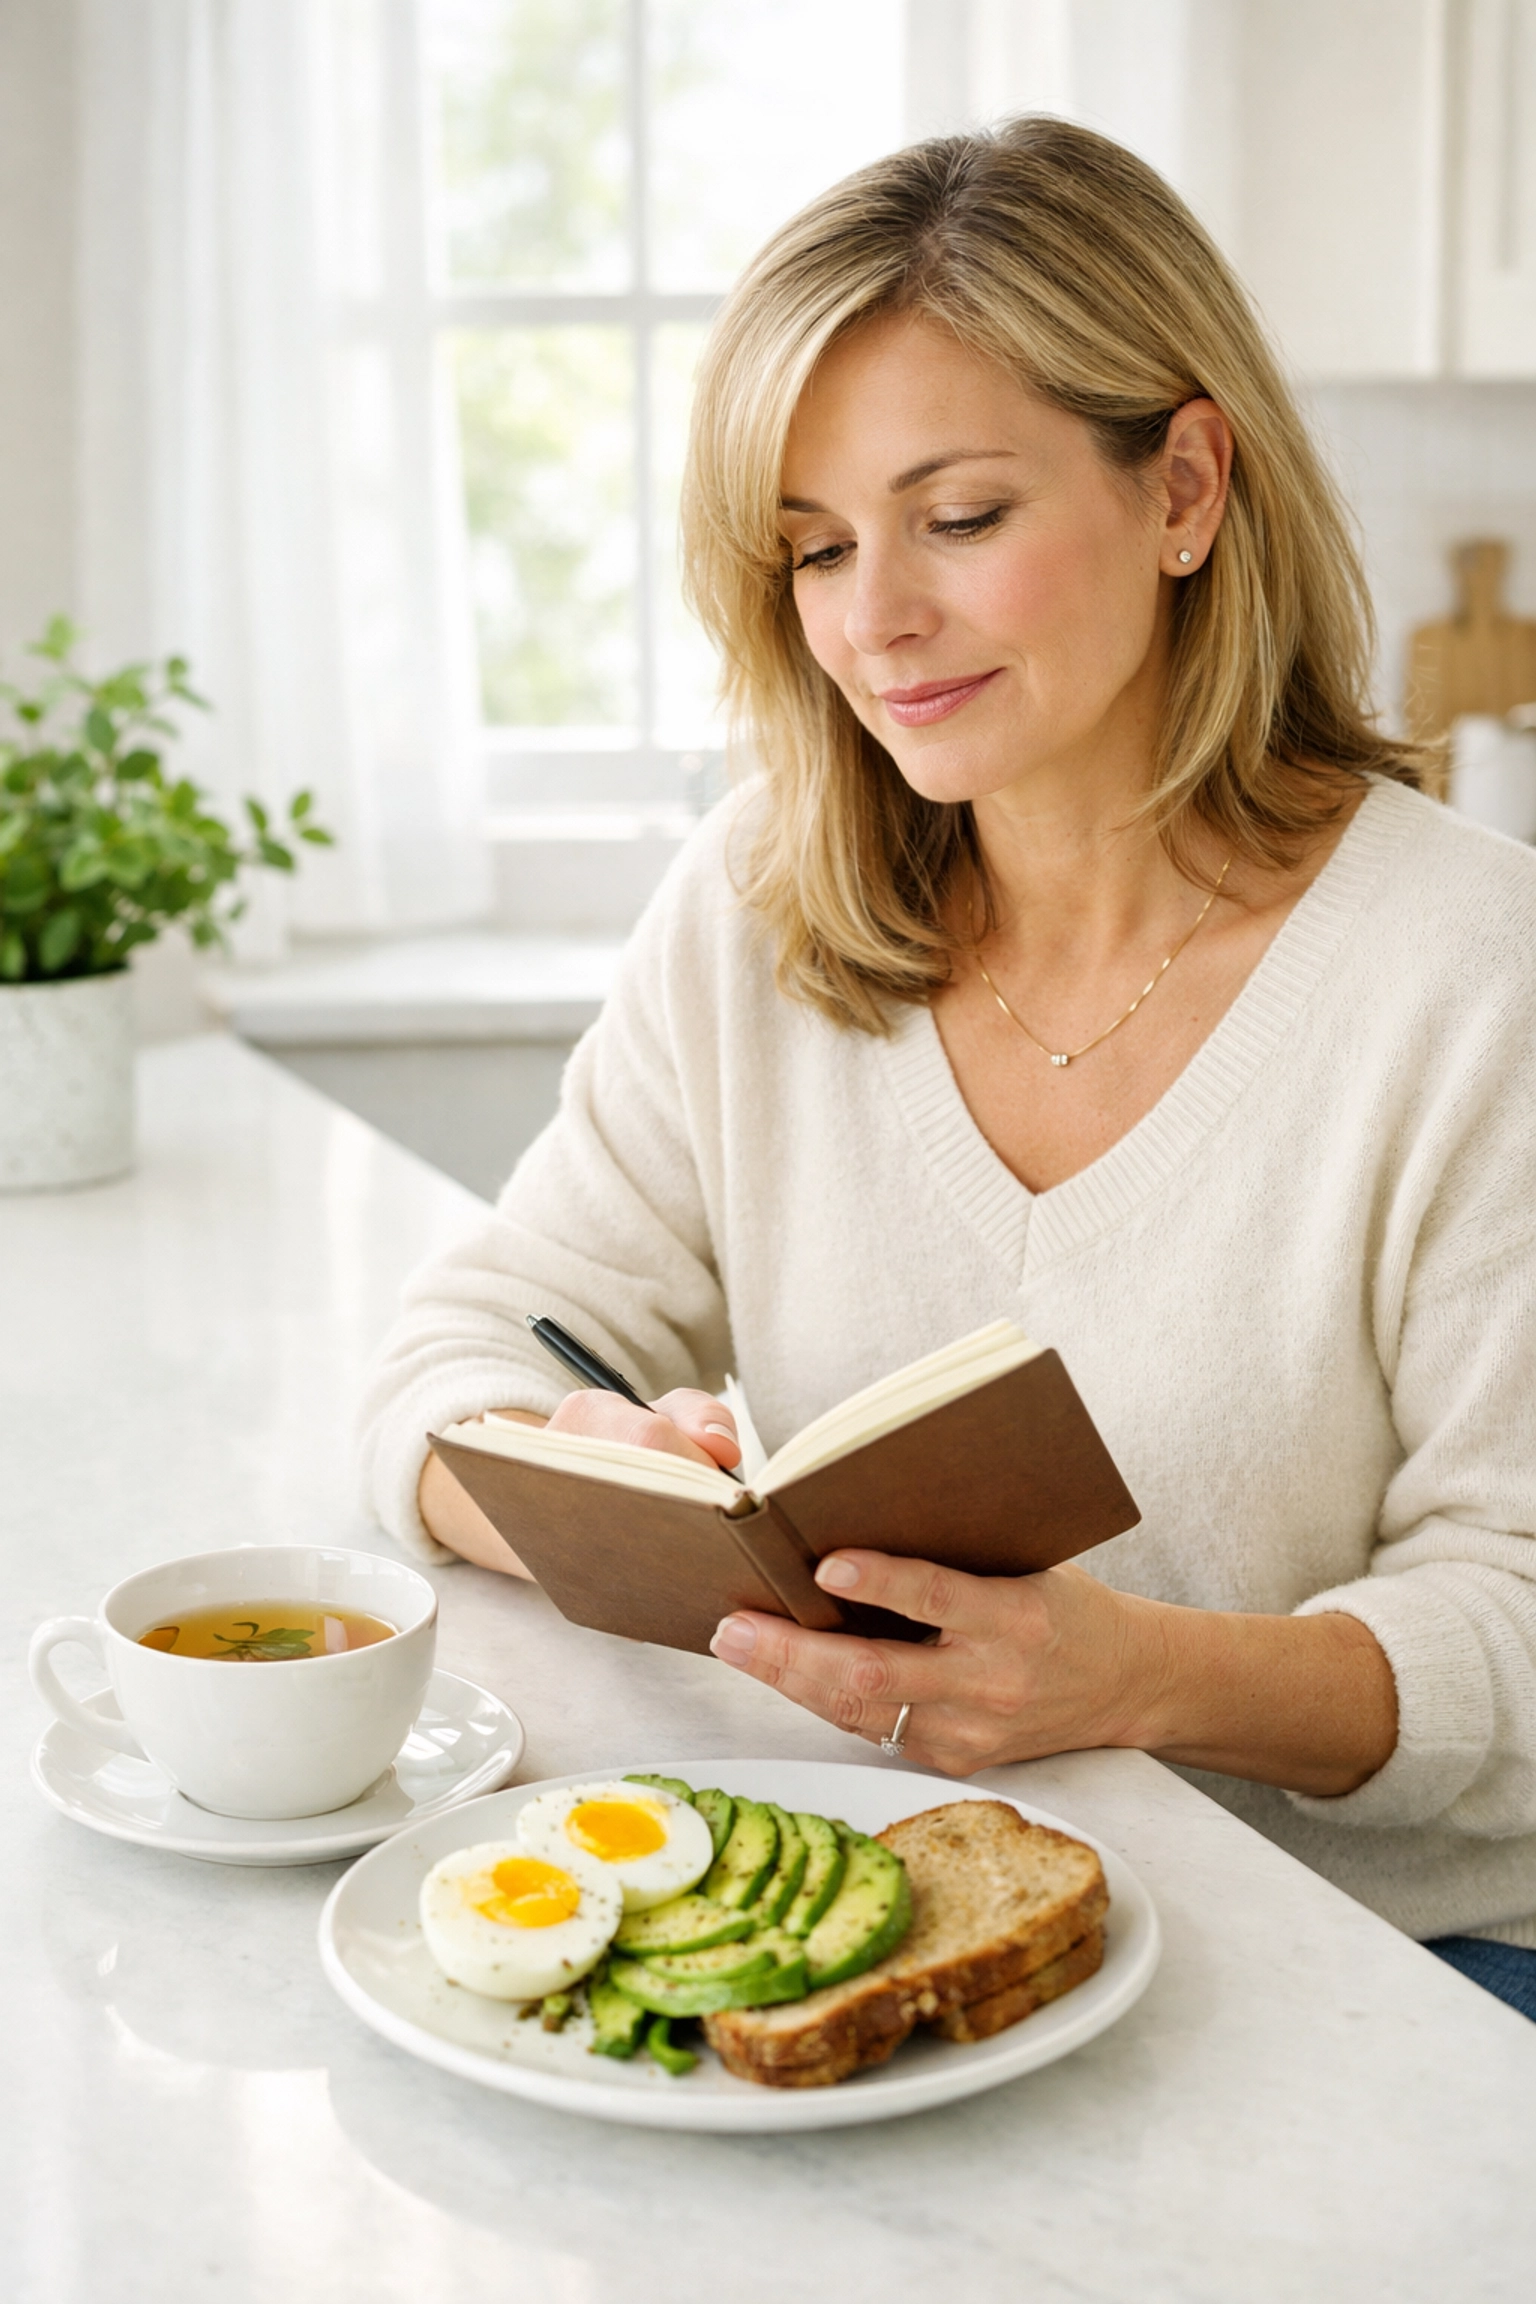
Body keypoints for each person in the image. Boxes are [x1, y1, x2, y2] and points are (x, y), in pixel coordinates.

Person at [360, 119, 1536, 2017]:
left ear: (1185, 487)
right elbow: (450, 1372)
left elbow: (1523, 1619)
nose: (870, 622)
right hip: (921, 1937)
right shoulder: (758, 907)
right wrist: (582, 1475)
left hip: (1405, 1975)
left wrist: (1138, 1675)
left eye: (960, 518)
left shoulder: (1478, 974)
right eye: (813, 549)